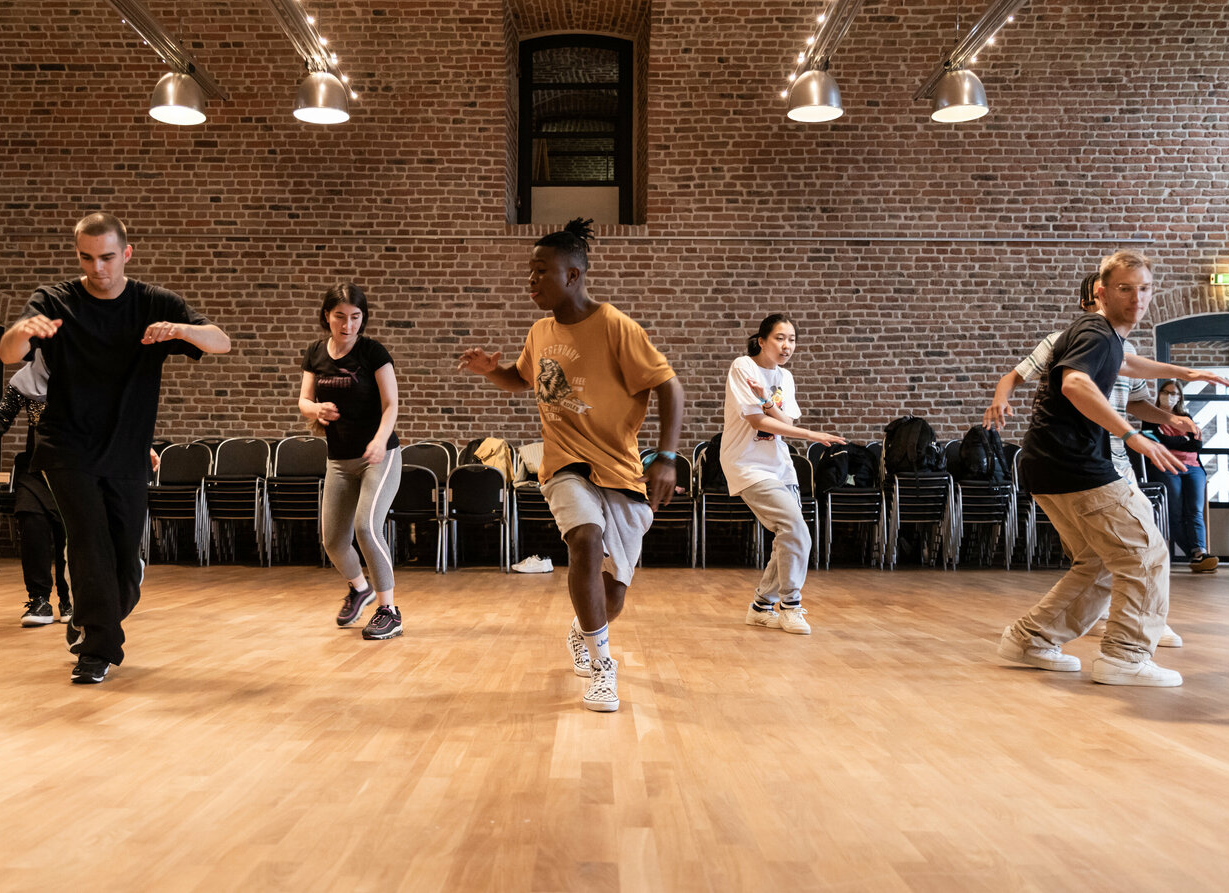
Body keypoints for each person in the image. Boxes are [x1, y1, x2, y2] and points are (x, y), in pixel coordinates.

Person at [458, 218, 684, 713]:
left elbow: (670, 387)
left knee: (614, 597)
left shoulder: (616, 327)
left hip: (621, 469)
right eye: (530, 272)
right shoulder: (539, 332)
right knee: (584, 538)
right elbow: (522, 379)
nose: (531, 281)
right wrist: (489, 371)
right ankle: (604, 667)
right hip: (563, 463)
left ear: (574, 275)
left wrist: (666, 457)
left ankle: (586, 631)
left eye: (541, 271)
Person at [0, 213, 230, 684]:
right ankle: (98, 649)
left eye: (106, 257)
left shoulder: (153, 303)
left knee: (122, 554)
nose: (97, 268)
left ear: (125, 253)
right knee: (88, 545)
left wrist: (181, 331)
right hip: (66, 447)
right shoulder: (55, 300)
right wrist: (24, 331)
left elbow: (221, 342)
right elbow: (7, 352)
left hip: (128, 450)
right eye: (87, 258)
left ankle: (93, 615)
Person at [985, 272, 1229, 647]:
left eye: (1144, 290)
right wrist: (1132, 434)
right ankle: (1127, 650)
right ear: (1098, 296)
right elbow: (1074, 383)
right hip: (1080, 461)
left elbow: (1130, 369)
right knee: (1141, 553)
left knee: (1104, 556)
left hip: (1092, 459)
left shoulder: (1112, 341)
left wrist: (1179, 386)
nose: (1139, 299)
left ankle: (1033, 639)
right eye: (1126, 290)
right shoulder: (1090, 333)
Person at [722, 314, 845, 634]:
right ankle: (790, 605)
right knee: (795, 529)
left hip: (780, 467)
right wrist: (812, 435)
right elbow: (758, 422)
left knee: (790, 536)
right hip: (747, 465)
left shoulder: (784, 378)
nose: (786, 345)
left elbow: (785, 424)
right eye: (779, 338)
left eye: (791, 339)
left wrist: (765, 397)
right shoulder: (743, 367)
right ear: (761, 341)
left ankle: (762, 606)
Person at [298, 283, 403, 638]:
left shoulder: (373, 352)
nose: (348, 325)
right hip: (339, 459)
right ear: (327, 316)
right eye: (340, 317)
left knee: (366, 527)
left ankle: (389, 610)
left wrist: (378, 439)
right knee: (333, 540)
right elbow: (304, 400)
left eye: (356, 317)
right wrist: (315, 408)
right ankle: (360, 588)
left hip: (380, 455)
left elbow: (391, 405)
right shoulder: (315, 352)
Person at [0, 357, 70, 627]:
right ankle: (39, 600)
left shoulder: (89, 373)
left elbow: (114, 419)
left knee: (71, 536)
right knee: (32, 525)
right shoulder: (26, 378)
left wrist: (141, 446)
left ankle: (70, 599)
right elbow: (1, 416)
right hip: (35, 468)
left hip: (74, 470)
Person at [1145, 380, 1219, 573]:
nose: (1170, 396)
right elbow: (1156, 440)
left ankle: (1199, 552)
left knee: (1195, 510)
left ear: (1179, 397)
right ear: (1160, 393)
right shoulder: (1150, 417)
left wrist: (1176, 441)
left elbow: (1196, 445)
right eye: (1166, 392)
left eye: (1174, 393)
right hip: (1166, 467)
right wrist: (1183, 439)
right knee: (1174, 512)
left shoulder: (1186, 418)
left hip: (1193, 468)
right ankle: (1196, 555)